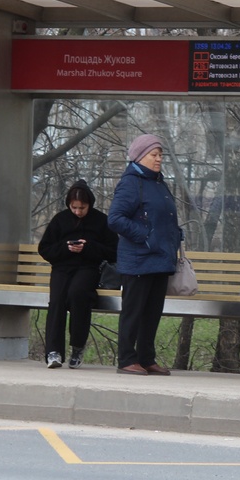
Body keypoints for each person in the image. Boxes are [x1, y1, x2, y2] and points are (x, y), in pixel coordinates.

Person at [107, 133, 181, 376]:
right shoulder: (131, 182)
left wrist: (174, 236)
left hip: (160, 258)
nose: (159, 159)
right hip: (138, 260)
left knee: (152, 313)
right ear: (139, 157)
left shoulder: (159, 182)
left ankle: (146, 358)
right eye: (154, 155)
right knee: (134, 312)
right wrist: (145, 235)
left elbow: (163, 217)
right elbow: (115, 219)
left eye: (160, 155)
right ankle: (127, 359)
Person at [37, 179, 117, 369]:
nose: (78, 212)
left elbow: (113, 251)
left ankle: (77, 346)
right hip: (62, 268)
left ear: (89, 204)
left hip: (88, 268)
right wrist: (66, 248)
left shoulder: (100, 221)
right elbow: (45, 249)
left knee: (78, 295)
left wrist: (88, 248)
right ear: (69, 205)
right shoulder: (60, 220)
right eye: (74, 208)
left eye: (82, 208)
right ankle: (53, 351)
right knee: (57, 300)